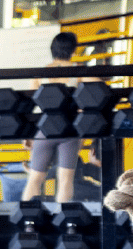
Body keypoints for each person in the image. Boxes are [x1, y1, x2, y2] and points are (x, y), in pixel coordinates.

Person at [21, 30, 86, 204]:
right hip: (70, 130)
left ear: (53, 49)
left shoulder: (41, 74)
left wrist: (28, 134)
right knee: (65, 180)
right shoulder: (78, 73)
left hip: (46, 129)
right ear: (73, 49)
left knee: (35, 178)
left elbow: (31, 106)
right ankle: (64, 221)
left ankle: (28, 218)